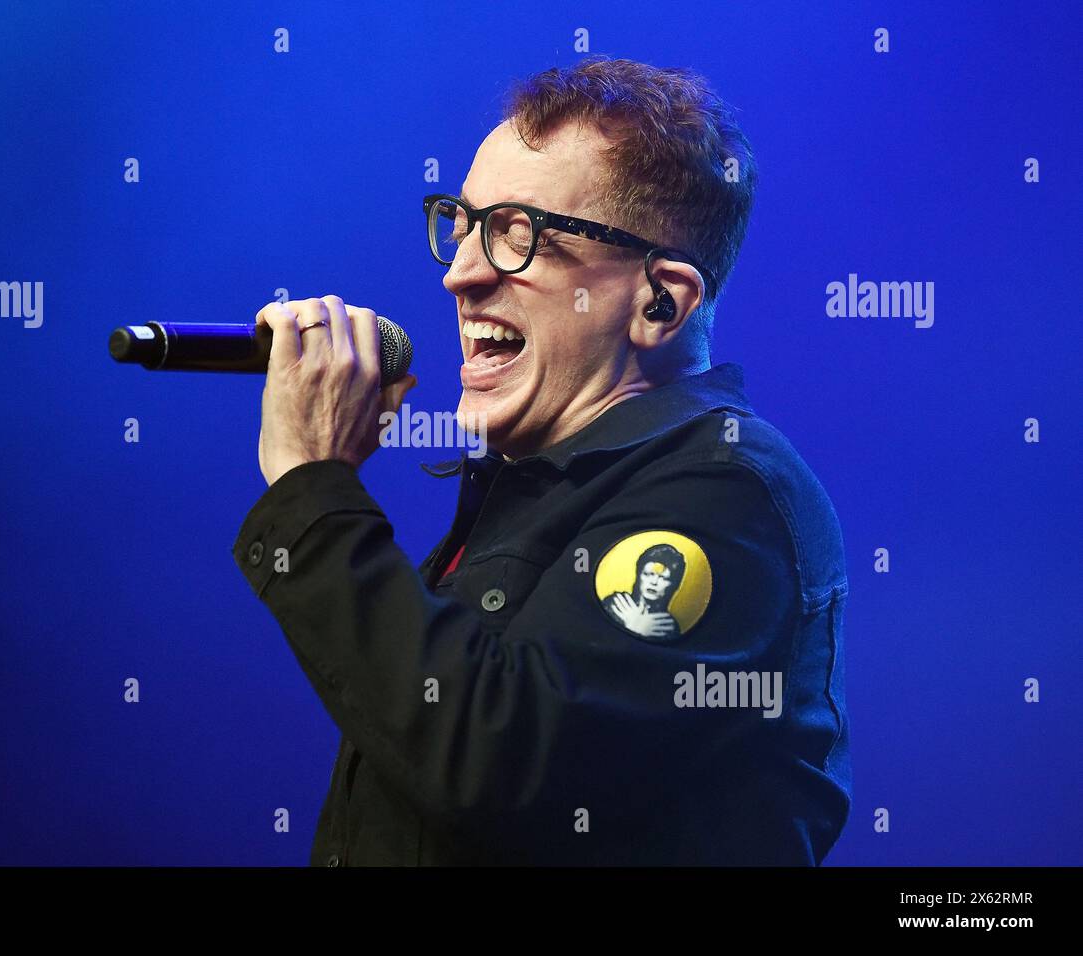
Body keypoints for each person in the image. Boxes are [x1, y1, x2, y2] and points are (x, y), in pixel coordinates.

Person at [233, 57, 850, 865]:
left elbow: (495, 760)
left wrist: (314, 489)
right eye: (461, 225)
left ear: (661, 301)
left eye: (517, 236)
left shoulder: (727, 494)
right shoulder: (530, 489)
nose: (461, 274)